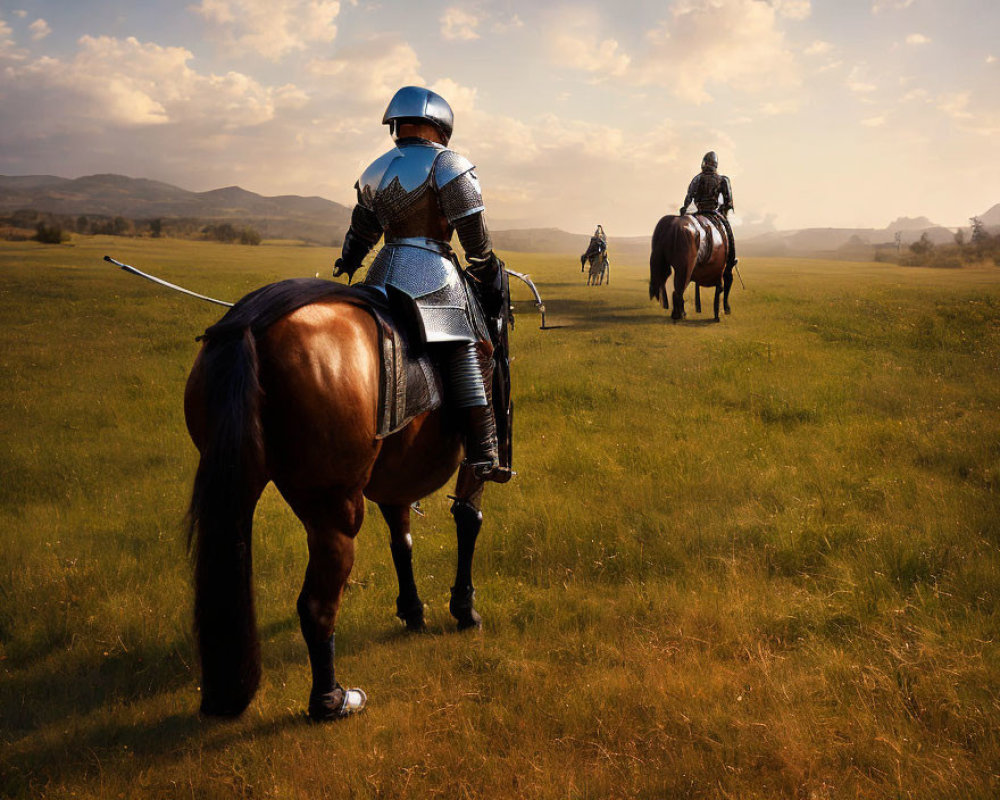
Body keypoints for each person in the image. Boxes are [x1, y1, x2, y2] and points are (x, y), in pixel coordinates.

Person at [333, 86, 509, 482]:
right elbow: (474, 235)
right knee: (467, 344)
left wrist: (348, 262)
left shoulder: (376, 167)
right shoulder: (450, 164)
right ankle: (484, 451)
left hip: (381, 274)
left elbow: (361, 231)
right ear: (441, 126)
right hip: (433, 275)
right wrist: (483, 266)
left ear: (395, 124)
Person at [679, 151, 737, 270]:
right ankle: (731, 259)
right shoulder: (722, 180)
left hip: (698, 212)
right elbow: (728, 203)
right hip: (713, 212)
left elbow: (688, 197)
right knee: (728, 231)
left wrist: (683, 212)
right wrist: (722, 210)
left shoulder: (697, 179)